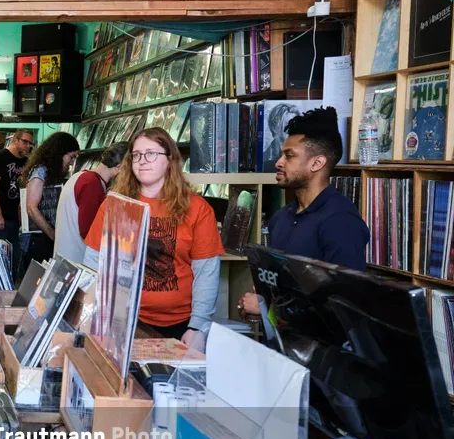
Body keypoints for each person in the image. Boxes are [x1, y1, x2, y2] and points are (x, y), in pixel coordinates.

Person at [83, 127, 222, 352]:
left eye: (151, 153)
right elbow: (92, 263)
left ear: (169, 160)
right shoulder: (114, 205)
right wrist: (92, 315)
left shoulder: (197, 209)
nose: (142, 161)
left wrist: (198, 327)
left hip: (182, 325)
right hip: (123, 321)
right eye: (136, 155)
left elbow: (206, 272)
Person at [239, 107, 370, 317]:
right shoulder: (281, 217)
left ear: (317, 163)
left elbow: (345, 306)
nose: (278, 162)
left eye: (289, 156)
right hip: (283, 347)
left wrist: (269, 310)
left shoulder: (340, 222)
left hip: (323, 349)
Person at [54, 142, 129, 264]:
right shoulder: (92, 184)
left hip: (67, 257)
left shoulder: (81, 176)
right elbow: (88, 231)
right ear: (119, 167)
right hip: (77, 260)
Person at [21, 132, 80, 267]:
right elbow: (31, 208)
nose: (72, 162)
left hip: (47, 238)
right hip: (39, 240)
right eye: (71, 157)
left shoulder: (52, 172)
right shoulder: (40, 171)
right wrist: (53, 235)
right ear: (59, 153)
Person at [0, 129, 35, 279]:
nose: (28, 146)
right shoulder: (0, 157)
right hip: (1, 217)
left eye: (30, 143)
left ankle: (10, 292)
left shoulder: (26, 161)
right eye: (25, 142)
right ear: (15, 140)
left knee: (14, 259)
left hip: (18, 218)